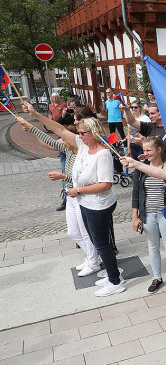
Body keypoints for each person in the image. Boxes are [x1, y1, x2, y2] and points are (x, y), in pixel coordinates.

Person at [23, 101, 124, 296]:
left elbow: (106, 184)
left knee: (102, 244)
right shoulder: (83, 145)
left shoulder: (102, 154)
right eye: (78, 133)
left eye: (82, 133)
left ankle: (115, 281)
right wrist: (35, 115)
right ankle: (112, 274)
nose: (79, 136)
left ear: (92, 133)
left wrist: (78, 190)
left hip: (99, 204)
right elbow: (59, 129)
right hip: (87, 202)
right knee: (96, 240)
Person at [15, 113, 99, 276]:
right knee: (73, 232)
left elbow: (80, 180)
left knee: (84, 232)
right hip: (70, 194)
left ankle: (94, 261)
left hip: (80, 195)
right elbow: (50, 142)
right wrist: (31, 129)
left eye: (64, 140)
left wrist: (62, 177)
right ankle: (91, 257)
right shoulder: (68, 150)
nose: (61, 143)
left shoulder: (82, 153)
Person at [125, 136, 166, 294]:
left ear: (159, 150)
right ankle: (157, 278)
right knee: (153, 247)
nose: (145, 153)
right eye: (144, 150)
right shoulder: (141, 168)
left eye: (149, 150)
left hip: (165, 214)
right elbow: (135, 194)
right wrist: (135, 217)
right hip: (148, 214)